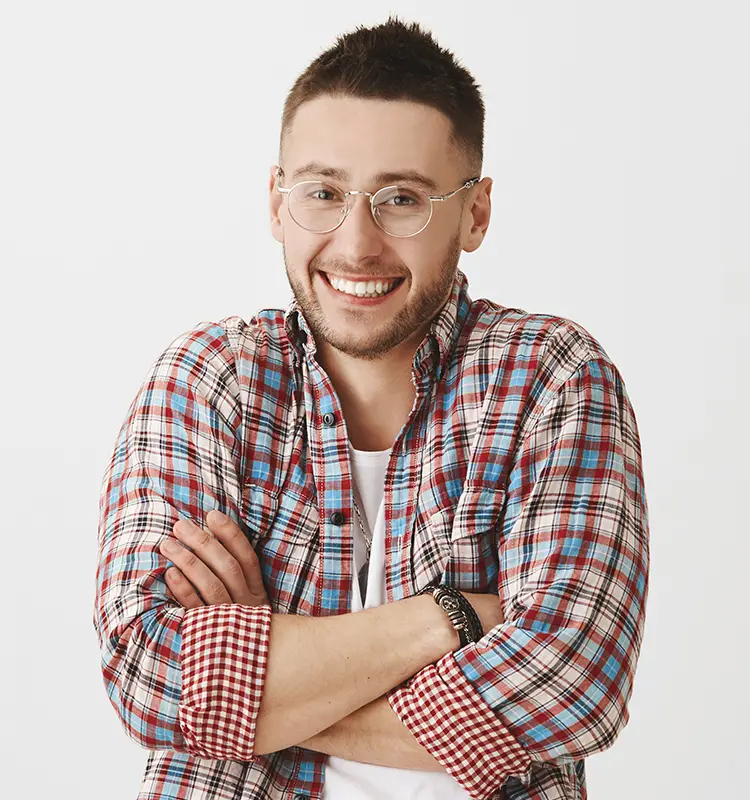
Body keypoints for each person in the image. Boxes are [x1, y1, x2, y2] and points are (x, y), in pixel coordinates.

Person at [93, 15, 650, 800]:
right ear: (277, 201)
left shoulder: (551, 380)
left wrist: (255, 682)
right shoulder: (209, 382)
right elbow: (148, 676)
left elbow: (573, 687)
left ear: (475, 213)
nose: (356, 244)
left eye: (401, 199)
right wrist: (448, 618)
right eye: (323, 192)